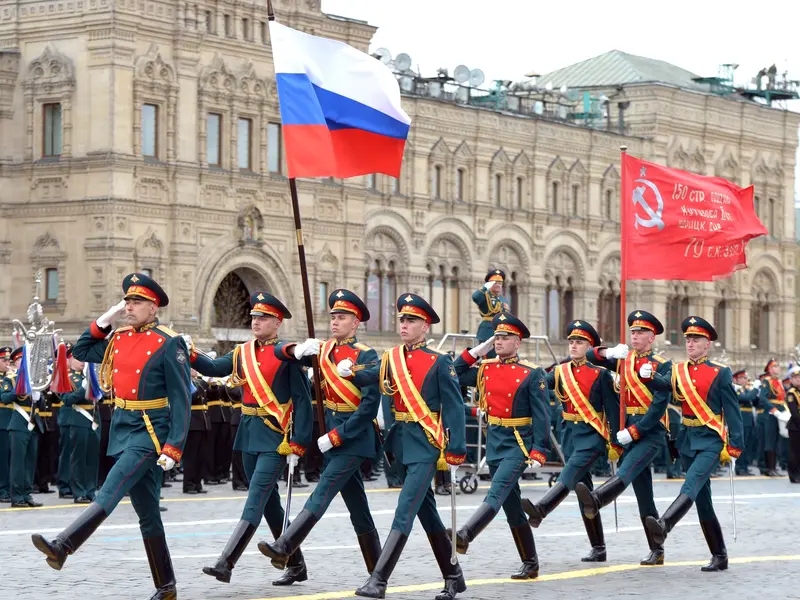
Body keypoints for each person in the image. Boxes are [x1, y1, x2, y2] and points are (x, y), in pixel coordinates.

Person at [31, 272, 191, 600]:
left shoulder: (168, 341)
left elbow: (181, 398)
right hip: (122, 426)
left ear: (153, 307)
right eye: (127, 301)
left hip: (150, 431)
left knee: (111, 488)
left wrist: (174, 445)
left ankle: (64, 545)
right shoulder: (117, 339)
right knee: (148, 514)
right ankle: (167, 585)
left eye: (136, 302)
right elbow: (84, 349)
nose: (129, 307)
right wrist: (105, 319)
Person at [189, 292, 313, 586]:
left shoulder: (286, 354)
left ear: (277, 323)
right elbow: (215, 368)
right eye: (254, 317)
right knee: (269, 504)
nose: (256, 322)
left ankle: (226, 562)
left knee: (255, 498)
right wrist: (190, 354)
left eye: (264, 318)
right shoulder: (242, 352)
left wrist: (300, 441)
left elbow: (303, 401)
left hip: (274, 438)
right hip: (247, 435)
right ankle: (296, 566)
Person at [259, 288, 382, 578]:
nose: (336, 322)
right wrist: (298, 350)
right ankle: (379, 573)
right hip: (331, 437)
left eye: (343, 317)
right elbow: (279, 352)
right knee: (359, 510)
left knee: (323, 491)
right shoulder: (323, 350)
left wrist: (337, 435)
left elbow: (368, 407)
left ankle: (286, 544)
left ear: (356, 323)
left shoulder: (366, 355)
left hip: (353, 438)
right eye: (333, 317)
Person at [355, 293, 467, 600]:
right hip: (403, 443)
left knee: (404, 509)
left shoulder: (440, 362)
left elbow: (455, 407)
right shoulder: (391, 358)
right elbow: (371, 376)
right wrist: (346, 370)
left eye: (411, 321)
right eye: (402, 320)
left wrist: (456, 449)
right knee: (427, 512)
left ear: (425, 326)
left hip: (427, 443)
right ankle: (454, 576)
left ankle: (379, 579)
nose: (404, 325)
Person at [452, 312, 549, 579]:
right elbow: (454, 373)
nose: (499, 341)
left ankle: (466, 533)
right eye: (497, 337)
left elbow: (542, 415)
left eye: (505, 338)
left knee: (496, 493)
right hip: (495, 442)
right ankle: (531, 563)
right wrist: (477, 351)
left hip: (517, 444)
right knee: (512, 507)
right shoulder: (486, 368)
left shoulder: (532, 373)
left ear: (517, 342)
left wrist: (539, 450)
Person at [644, 316, 744, 572]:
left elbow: (732, 411)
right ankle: (719, 555)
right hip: (688, 440)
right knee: (702, 500)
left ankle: (665, 524)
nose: (690, 343)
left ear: (706, 344)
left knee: (691, 483)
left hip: (710, 440)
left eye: (696, 339)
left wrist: (735, 444)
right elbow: (665, 386)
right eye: (688, 339)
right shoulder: (677, 370)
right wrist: (648, 377)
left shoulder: (719, 372)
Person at [575, 310, 672, 565]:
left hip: (649, 430)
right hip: (627, 428)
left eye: (640, 333)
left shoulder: (663, 364)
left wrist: (635, 431)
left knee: (627, 470)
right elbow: (590, 355)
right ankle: (657, 549)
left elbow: (660, 404)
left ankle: (597, 499)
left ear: (651, 338)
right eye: (633, 332)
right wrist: (608, 353)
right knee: (644, 495)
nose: (635, 336)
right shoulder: (624, 360)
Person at [520, 320, 619, 562]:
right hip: (570, 437)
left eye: (579, 342)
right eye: (572, 342)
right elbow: (540, 384)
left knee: (570, 475)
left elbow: (614, 411)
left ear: (590, 346)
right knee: (584, 492)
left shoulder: (602, 374)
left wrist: (617, 442)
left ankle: (542, 509)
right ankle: (599, 547)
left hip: (592, 436)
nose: (574, 346)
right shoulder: (561, 371)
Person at [4, 346, 44, 508]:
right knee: (18, 462)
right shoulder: (11, 379)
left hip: (32, 422)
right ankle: (17, 496)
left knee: (29, 461)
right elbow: (5, 397)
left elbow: (41, 404)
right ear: (16, 363)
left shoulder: (35, 381)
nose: (24, 363)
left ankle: (27, 494)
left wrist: (38, 395)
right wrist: (19, 390)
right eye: (21, 360)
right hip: (19, 423)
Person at [759, 359, 792, 476]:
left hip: (780, 413)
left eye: (778, 366)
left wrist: (786, 412)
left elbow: (782, 399)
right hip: (771, 414)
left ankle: (774, 467)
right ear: (769, 369)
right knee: (770, 441)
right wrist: (774, 410)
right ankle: (769, 468)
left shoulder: (779, 382)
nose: (777, 368)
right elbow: (763, 398)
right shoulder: (766, 382)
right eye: (774, 366)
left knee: (777, 440)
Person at [471, 269, 510, 359]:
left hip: (501, 332)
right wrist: (485, 287)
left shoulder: (502, 299)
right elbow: (475, 297)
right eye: (495, 283)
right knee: (489, 360)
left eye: (500, 283)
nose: (498, 285)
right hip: (488, 332)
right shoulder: (485, 296)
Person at [182, 370, 210, 494]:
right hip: (192, 423)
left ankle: (198, 483)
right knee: (191, 457)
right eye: (193, 369)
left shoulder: (197, 382)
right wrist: (204, 383)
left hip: (202, 423)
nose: (196, 371)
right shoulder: (184, 382)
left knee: (201, 456)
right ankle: (189, 484)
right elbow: (191, 397)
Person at [732, 370, 759, 476]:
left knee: (747, 444)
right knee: (741, 445)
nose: (745, 380)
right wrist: (756, 389)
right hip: (741, 420)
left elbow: (755, 401)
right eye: (742, 378)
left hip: (748, 420)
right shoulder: (735, 389)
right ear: (736, 379)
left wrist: (757, 393)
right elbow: (746, 398)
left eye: (745, 378)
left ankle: (745, 466)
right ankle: (740, 467)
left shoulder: (746, 389)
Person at [0, 346, 14, 502]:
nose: (6, 363)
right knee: (3, 460)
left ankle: (9, 487)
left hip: (11, 421)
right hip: (1, 422)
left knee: (11, 458)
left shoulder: (10, 377)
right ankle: (2, 489)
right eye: (3, 360)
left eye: (8, 360)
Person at [786, 366, 800, 483]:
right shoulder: (791, 393)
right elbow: (794, 412)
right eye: (795, 377)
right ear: (791, 380)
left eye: (799, 377)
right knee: (794, 451)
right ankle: (793, 475)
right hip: (796, 426)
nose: (798, 379)